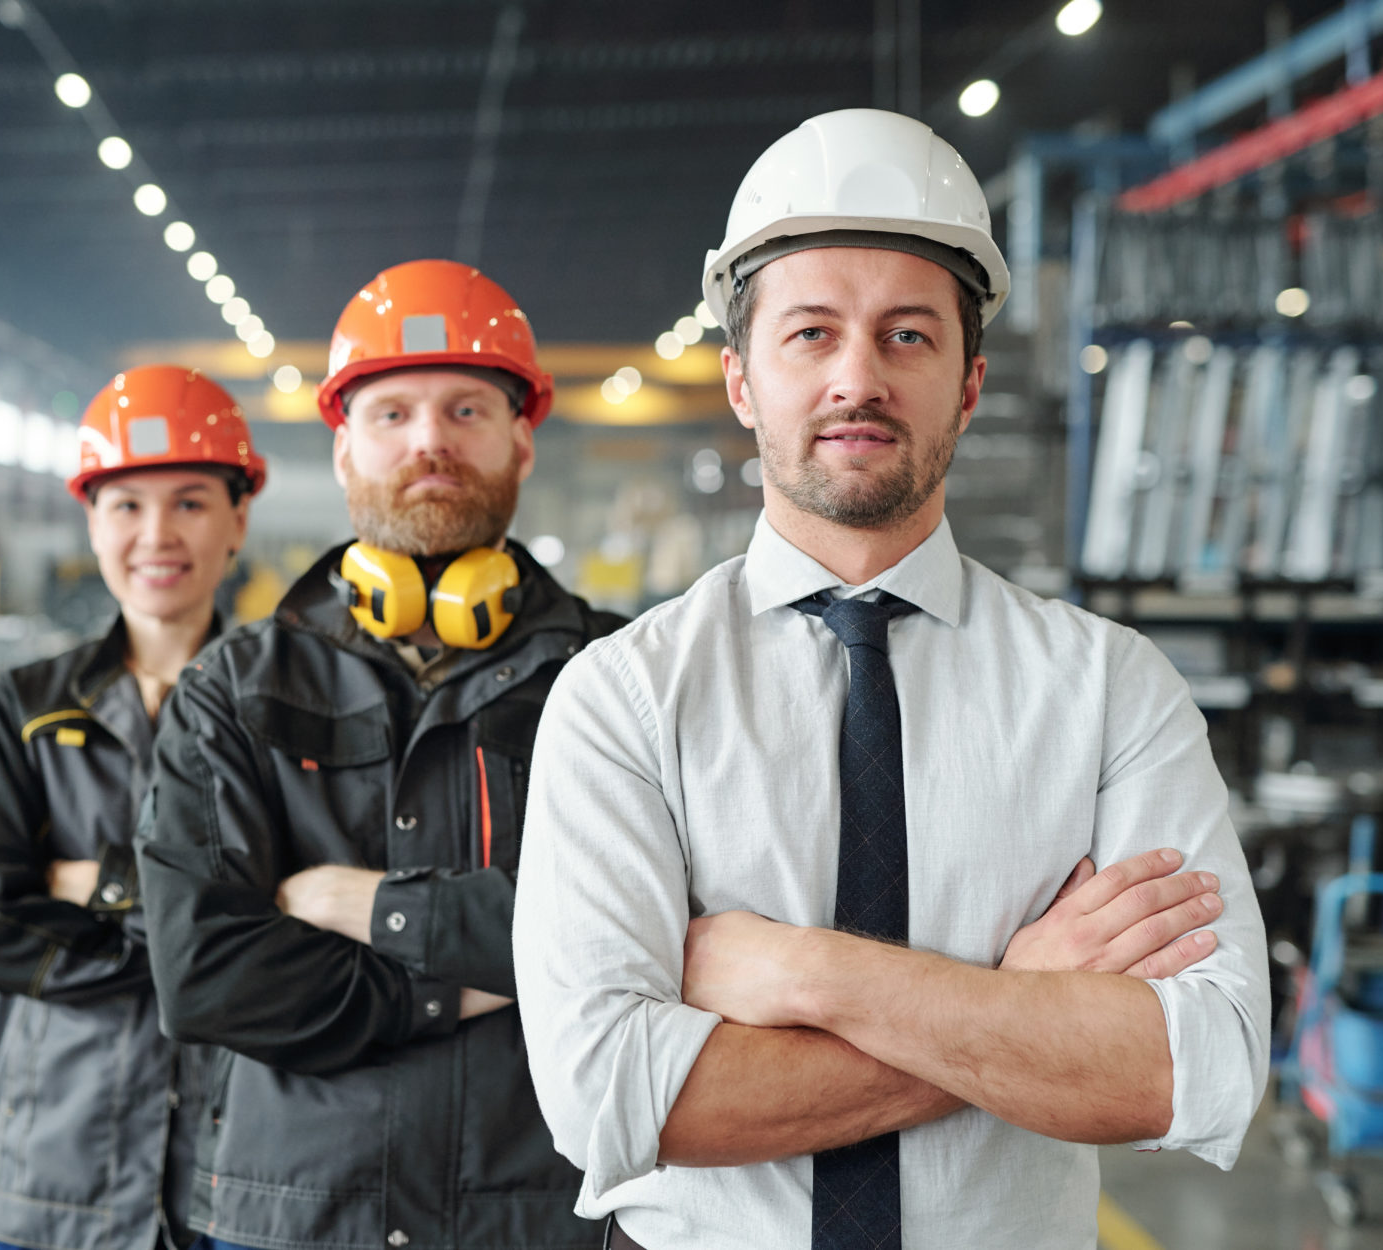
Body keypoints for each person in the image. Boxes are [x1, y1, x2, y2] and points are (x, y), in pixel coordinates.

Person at [511, 108, 1271, 1250]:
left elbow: (1191, 1068)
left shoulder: (1112, 688)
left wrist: (800, 969)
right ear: (741, 382)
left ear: (968, 384)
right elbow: (615, 1094)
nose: (856, 378)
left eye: (908, 336)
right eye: (810, 333)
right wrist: (1016, 999)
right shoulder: (624, 699)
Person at [134, 259, 626, 1250]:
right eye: (392, 412)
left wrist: (353, 904)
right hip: (298, 1214)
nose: (431, 440)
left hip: (542, 1213)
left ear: (523, 438)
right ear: (345, 446)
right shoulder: (235, 690)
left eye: (466, 409)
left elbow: (649, 937)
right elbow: (207, 975)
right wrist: (481, 972)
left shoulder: (619, 676)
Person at [0, 365, 266, 1250]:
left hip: (240, 1169)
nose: (156, 534)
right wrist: (206, 935)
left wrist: (100, 887)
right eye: (126, 504)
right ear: (91, 520)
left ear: (238, 517)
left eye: (192, 502)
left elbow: (299, 943)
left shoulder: (286, 710)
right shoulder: (25, 705)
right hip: (58, 1165)